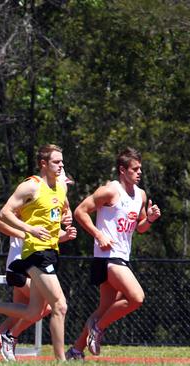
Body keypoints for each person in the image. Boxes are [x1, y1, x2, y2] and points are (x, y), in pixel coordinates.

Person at [0, 144, 70, 361]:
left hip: (51, 251)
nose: (61, 165)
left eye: (61, 162)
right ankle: (61, 361)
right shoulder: (31, 186)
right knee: (59, 305)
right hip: (35, 254)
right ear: (43, 164)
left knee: (33, 312)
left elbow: (52, 217)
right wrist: (28, 229)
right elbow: (4, 214)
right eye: (56, 162)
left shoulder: (61, 188)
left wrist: (63, 224)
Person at [66, 147, 161, 359]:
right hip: (107, 257)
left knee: (105, 308)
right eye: (135, 169)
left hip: (122, 257)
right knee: (136, 297)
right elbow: (80, 211)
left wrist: (151, 219)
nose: (139, 173)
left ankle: (75, 351)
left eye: (140, 169)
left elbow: (141, 227)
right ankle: (97, 329)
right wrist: (98, 235)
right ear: (122, 170)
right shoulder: (110, 190)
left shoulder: (141, 195)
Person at [0, 174, 77, 359]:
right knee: (51, 307)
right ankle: (9, 335)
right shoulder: (30, 196)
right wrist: (26, 233)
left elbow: (56, 224)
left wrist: (64, 231)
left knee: (26, 312)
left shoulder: (52, 202)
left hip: (34, 258)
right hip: (20, 262)